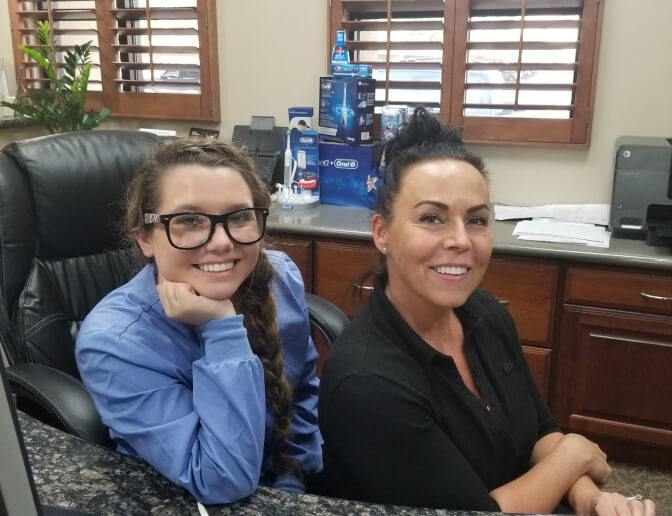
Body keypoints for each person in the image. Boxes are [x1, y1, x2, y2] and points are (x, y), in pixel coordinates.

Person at [317, 107, 656, 515]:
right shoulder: (366, 382)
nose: (461, 240)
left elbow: (541, 432)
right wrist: (574, 457)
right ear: (382, 233)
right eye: (431, 218)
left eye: (476, 220)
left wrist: (589, 496)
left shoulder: (484, 313)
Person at [76, 139, 322, 504]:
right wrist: (221, 328)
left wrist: (294, 487)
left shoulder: (280, 277)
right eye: (189, 220)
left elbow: (301, 395)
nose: (222, 242)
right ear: (145, 237)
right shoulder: (113, 341)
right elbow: (222, 479)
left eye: (239, 217)